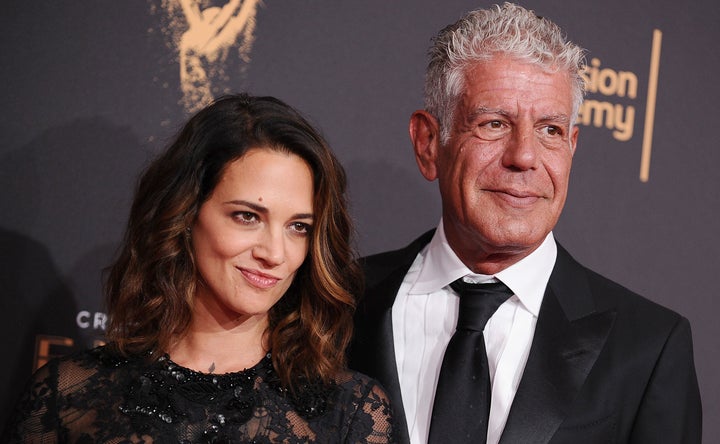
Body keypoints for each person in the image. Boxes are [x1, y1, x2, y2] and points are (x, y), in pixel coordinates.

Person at [349, 3, 701, 444]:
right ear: (428, 143)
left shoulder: (648, 347)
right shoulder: (332, 302)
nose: (525, 156)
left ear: (572, 146)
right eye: (494, 124)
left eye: (550, 130)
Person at [4, 93, 394, 443]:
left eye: (298, 227)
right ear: (185, 214)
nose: (275, 253)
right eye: (247, 216)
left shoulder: (350, 412)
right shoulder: (69, 395)